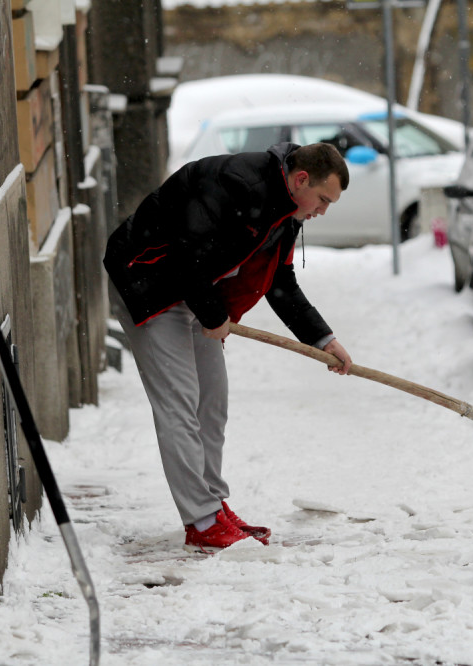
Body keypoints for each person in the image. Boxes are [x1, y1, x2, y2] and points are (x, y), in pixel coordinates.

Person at [103, 142, 353, 553]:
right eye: (323, 199)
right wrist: (213, 315)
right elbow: (186, 254)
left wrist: (324, 340)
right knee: (179, 404)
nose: (322, 210)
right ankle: (201, 521)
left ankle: (214, 506)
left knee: (212, 402)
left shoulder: (289, 210)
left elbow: (279, 281)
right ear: (301, 178)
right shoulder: (237, 183)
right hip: (148, 280)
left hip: (195, 292)